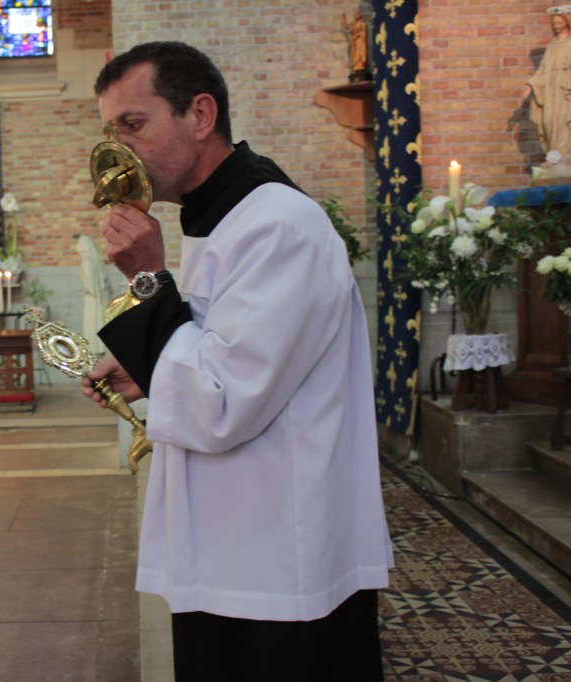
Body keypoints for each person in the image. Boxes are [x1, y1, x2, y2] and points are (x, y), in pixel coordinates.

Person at [85, 42, 393, 679]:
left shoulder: (276, 224)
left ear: (200, 115)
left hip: (277, 553)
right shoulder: (218, 218)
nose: (119, 151)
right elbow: (227, 348)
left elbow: (220, 402)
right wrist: (150, 366)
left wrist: (147, 279)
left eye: (133, 125)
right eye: (111, 133)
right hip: (235, 540)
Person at [524, 6, 571, 159]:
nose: (556, 26)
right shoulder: (553, 45)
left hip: (566, 92)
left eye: (560, 23)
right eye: (554, 23)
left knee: (563, 124)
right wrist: (530, 84)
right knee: (548, 121)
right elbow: (543, 69)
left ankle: (565, 157)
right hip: (551, 90)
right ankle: (554, 156)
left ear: (567, 22)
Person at [76, 234, 110, 354]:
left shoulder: (87, 261)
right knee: (96, 324)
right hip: (96, 299)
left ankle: (95, 349)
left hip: (92, 299)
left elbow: (91, 286)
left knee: (93, 324)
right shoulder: (92, 260)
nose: (77, 246)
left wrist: (89, 291)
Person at [343, 9, 369, 76]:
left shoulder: (363, 24)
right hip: (355, 43)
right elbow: (348, 27)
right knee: (354, 54)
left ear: (360, 15)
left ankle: (361, 67)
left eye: (357, 14)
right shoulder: (353, 24)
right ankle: (356, 68)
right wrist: (344, 19)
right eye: (355, 15)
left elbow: (363, 33)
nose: (355, 16)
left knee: (360, 54)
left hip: (360, 42)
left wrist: (358, 35)